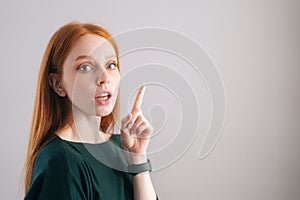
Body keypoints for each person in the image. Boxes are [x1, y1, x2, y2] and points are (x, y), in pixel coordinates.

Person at [23, 22, 157, 199]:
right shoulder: (61, 161)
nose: (104, 78)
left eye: (111, 65)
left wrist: (138, 159)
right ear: (57, 84)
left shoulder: (122, 147)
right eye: (85, 67)